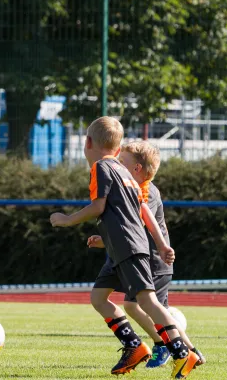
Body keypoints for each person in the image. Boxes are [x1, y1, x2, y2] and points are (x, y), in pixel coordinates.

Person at [49, 117, 200, 379]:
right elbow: (141, 209)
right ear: (118, 150)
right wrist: (162, 243)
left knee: (146, 301)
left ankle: (182, 352)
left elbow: (98, 207)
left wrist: (66, 220)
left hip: (129, 246)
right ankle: (133, 346)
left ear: (87, 142)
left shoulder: (101, 167)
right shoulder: (123, 172)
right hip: (122, 248)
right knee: (99, 297)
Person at [88, 141, 205, 368]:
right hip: (123, 254)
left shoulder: (147, 192)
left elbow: (137, 226)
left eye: (123, 162)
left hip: (151, 261)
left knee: (142, 306)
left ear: (137, 169)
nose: (118, 166)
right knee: (108, 299)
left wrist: (105, 240)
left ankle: (181, 349)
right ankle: (162, 347)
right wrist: (106, 241)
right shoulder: (124, 186)